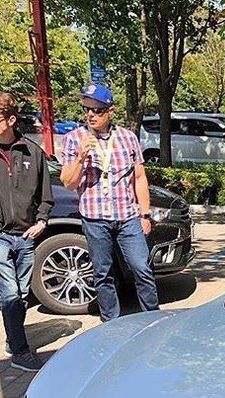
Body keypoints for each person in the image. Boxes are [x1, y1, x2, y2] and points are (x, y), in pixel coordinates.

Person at [60, 82, 158, 322]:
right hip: (94, 218)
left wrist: (145, 215)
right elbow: (68, 183)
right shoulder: (74, 139)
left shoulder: (127, 138)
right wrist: (81, 157)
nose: (91, 115)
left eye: (98, 110)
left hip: (127, 216)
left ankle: (154, 319)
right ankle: (110, 323)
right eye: (87, 109)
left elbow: (139, 178)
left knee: (141, 268)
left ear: (110, 111)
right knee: (103, 273)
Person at [0, 92, 53, 372]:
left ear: (10, 119)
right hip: (0, 238)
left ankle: (13, 337)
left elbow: (46, 195)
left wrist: (42, 220)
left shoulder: (33, 152)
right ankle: (20, 352)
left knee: (20, 295)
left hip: (26, 236)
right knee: (8, 293)